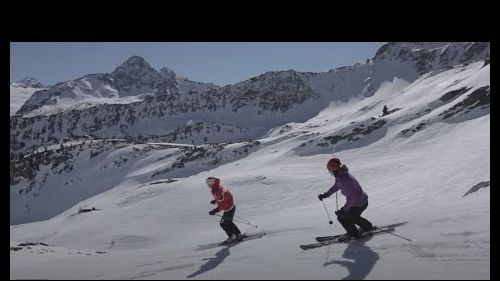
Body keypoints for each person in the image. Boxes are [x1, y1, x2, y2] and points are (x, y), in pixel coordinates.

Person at [318, 158, 374, 238]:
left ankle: (354, 234)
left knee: (343, 217)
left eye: (330, 169)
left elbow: (353, 198)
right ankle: (367, 226)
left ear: (334, 168)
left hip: (359, 203)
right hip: (360, 201)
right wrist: (326, 194)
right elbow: (336, 186)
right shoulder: (341, 176)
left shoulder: (345, 180)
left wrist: (344, 210)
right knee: (351, 215)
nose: (329, 171)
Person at [206, 176, 242, 243]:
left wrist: (215, 211)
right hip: (229, 208)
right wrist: (216, 200)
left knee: (224, 223)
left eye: (208, 184)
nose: (208, 186)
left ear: (212, 183)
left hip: (229, 209)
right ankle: (236, 235)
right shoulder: (217, 188)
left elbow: (222, 204)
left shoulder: (218, 191)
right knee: (226, 223)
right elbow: (223, 198)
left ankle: (235, 235)